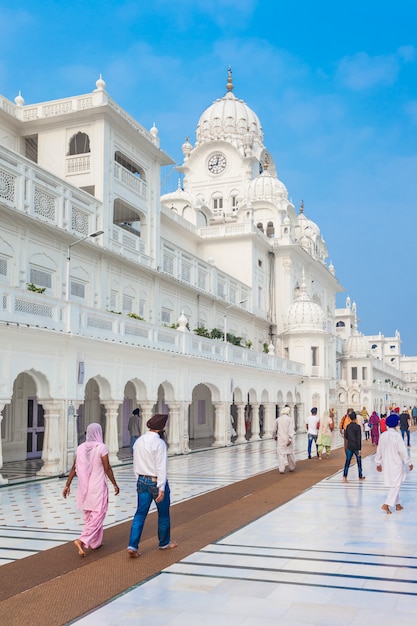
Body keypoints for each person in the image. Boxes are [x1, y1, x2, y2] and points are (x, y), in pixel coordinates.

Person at [63, 423, 120, 557]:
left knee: (89, 516)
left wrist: (67, 484)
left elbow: (73, 468)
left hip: (84, 488)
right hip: (98, 487)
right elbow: (107, 468)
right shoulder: (101, 447)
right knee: (99, 515)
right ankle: (82, 540)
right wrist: (115, 484)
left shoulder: (80, 448)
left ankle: (95, 543)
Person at [127, 413, 177, 557]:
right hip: (156, 482)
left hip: (142, 480)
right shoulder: (159, 443)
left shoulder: (139, 441)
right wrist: (161, 487)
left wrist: (139, 478)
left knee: (140, 513)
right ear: (161, 427)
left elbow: (135, 463)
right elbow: (161, 466)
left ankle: (132, 545)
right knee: (163, 514)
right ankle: (164, 543)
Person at [375, 413, 413, 514]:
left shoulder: (383, 435)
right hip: (396, 463)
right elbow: (402, 451)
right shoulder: (397, 436)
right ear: (397, 424)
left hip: (386, 463)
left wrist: (378, 463)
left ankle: (398, 504)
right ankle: (387, 504)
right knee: (396, 484)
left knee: (394, 483)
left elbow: (378, 450)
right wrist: (409, 462)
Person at [342, 411, 365, 483]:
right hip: (356, 447)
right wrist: (360, 449)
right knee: (359, 461)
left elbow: (345, 436)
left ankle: (344, 476)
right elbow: (359, 438)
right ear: (355, 418)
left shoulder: (348, 426)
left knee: (347, 461)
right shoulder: (357, 427)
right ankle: (360, 475)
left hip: (349, 446)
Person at [272, 406, 296, 474]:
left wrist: (274, 436)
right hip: (287, 438)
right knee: (289, 454)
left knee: (281, 455)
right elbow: (291, 430)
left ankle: (281, 469)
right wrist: (290, 439)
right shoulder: (290, 419)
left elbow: (274, 430)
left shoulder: (278, 419)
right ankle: (291, 467)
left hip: (280, 439)